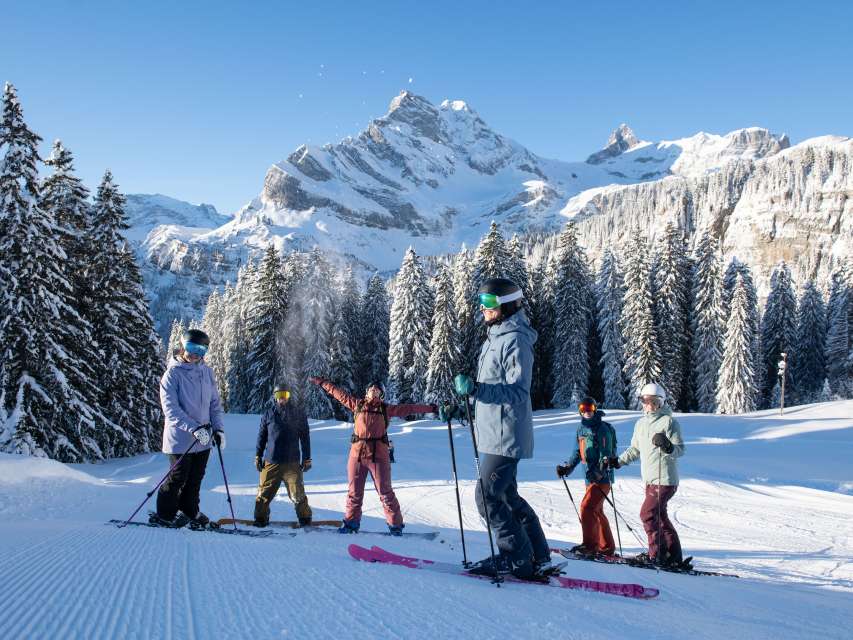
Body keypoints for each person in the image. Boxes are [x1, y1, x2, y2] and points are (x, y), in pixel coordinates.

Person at [452, 277, 550, 579]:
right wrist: (461, 406)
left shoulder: (515, 339)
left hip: (506, 436)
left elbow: (518, 391)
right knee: (507, 497)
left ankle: (515, 557)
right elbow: (489, 391)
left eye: (490, 303)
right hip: (493, 433)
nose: (483, 309)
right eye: (481, 303)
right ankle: (538, 554)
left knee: (487, 497)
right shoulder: (495, 337)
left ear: (507, 305)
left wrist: (477, 390)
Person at [309, 377, 436, 536]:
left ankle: (395, 526)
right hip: (357, 456)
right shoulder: (357, 405)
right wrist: (322, 383)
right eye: (372, 389)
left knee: (385, 493)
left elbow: (409, 408)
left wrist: (431, 408)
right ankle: (351, 524)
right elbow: (338, 394)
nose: (374, 392)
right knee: (354, 493)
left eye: (377, 390)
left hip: (379, 457)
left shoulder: (386, 409)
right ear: (367, 392)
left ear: (381, 394)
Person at [603, 383, 689, 569]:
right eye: (644, 400)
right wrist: (617, 461)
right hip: (650, 480)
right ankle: (673, 556)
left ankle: (657, 555)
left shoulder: (669, 423)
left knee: (647, 514)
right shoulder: (641, 424)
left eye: (653, 401)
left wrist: (667, 446)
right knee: (660, 516)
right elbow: (635, 449)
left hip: (665, 479)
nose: (648, 405)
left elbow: (680, 450)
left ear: (661, 402)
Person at [152, 328, 226, 528]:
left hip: (203, 439)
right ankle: (165, 514)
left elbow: (214, 404)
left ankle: (190, 511)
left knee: (195, 479)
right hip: (180, 438)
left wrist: (218, 430)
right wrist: (194, 429)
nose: (195, 354)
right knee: (178, 477)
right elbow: (171, 410)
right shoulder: (172, 374)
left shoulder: (206, 372)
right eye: (191, 348)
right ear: (183, 346)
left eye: (201, 350)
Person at [556, 396, 617, 556]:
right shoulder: (581, 429)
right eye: (583, 408)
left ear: (595, 409)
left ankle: (590, 546)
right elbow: (577, 453)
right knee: (596, 510)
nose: (587, 412)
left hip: (601, 479)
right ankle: (607, 547)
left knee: (587, 508)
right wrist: (567, 468)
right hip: (588, 479)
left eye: (590, 408)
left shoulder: (602, 429)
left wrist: (599, 471)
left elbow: (607, 454)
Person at [253, 384, 313, 527]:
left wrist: (307, 457)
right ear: (275, 397)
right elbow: (262, 436)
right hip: (271, 461)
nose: (282, 399)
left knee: (298, 494)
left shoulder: (298, 414)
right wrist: (257, 455)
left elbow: (305, 437)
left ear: (289, 396)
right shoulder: (268, 414)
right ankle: (261, 518)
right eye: (279, 396)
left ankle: (305, 519)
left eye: (284, 395)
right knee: (264, 494)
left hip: (292, 462)